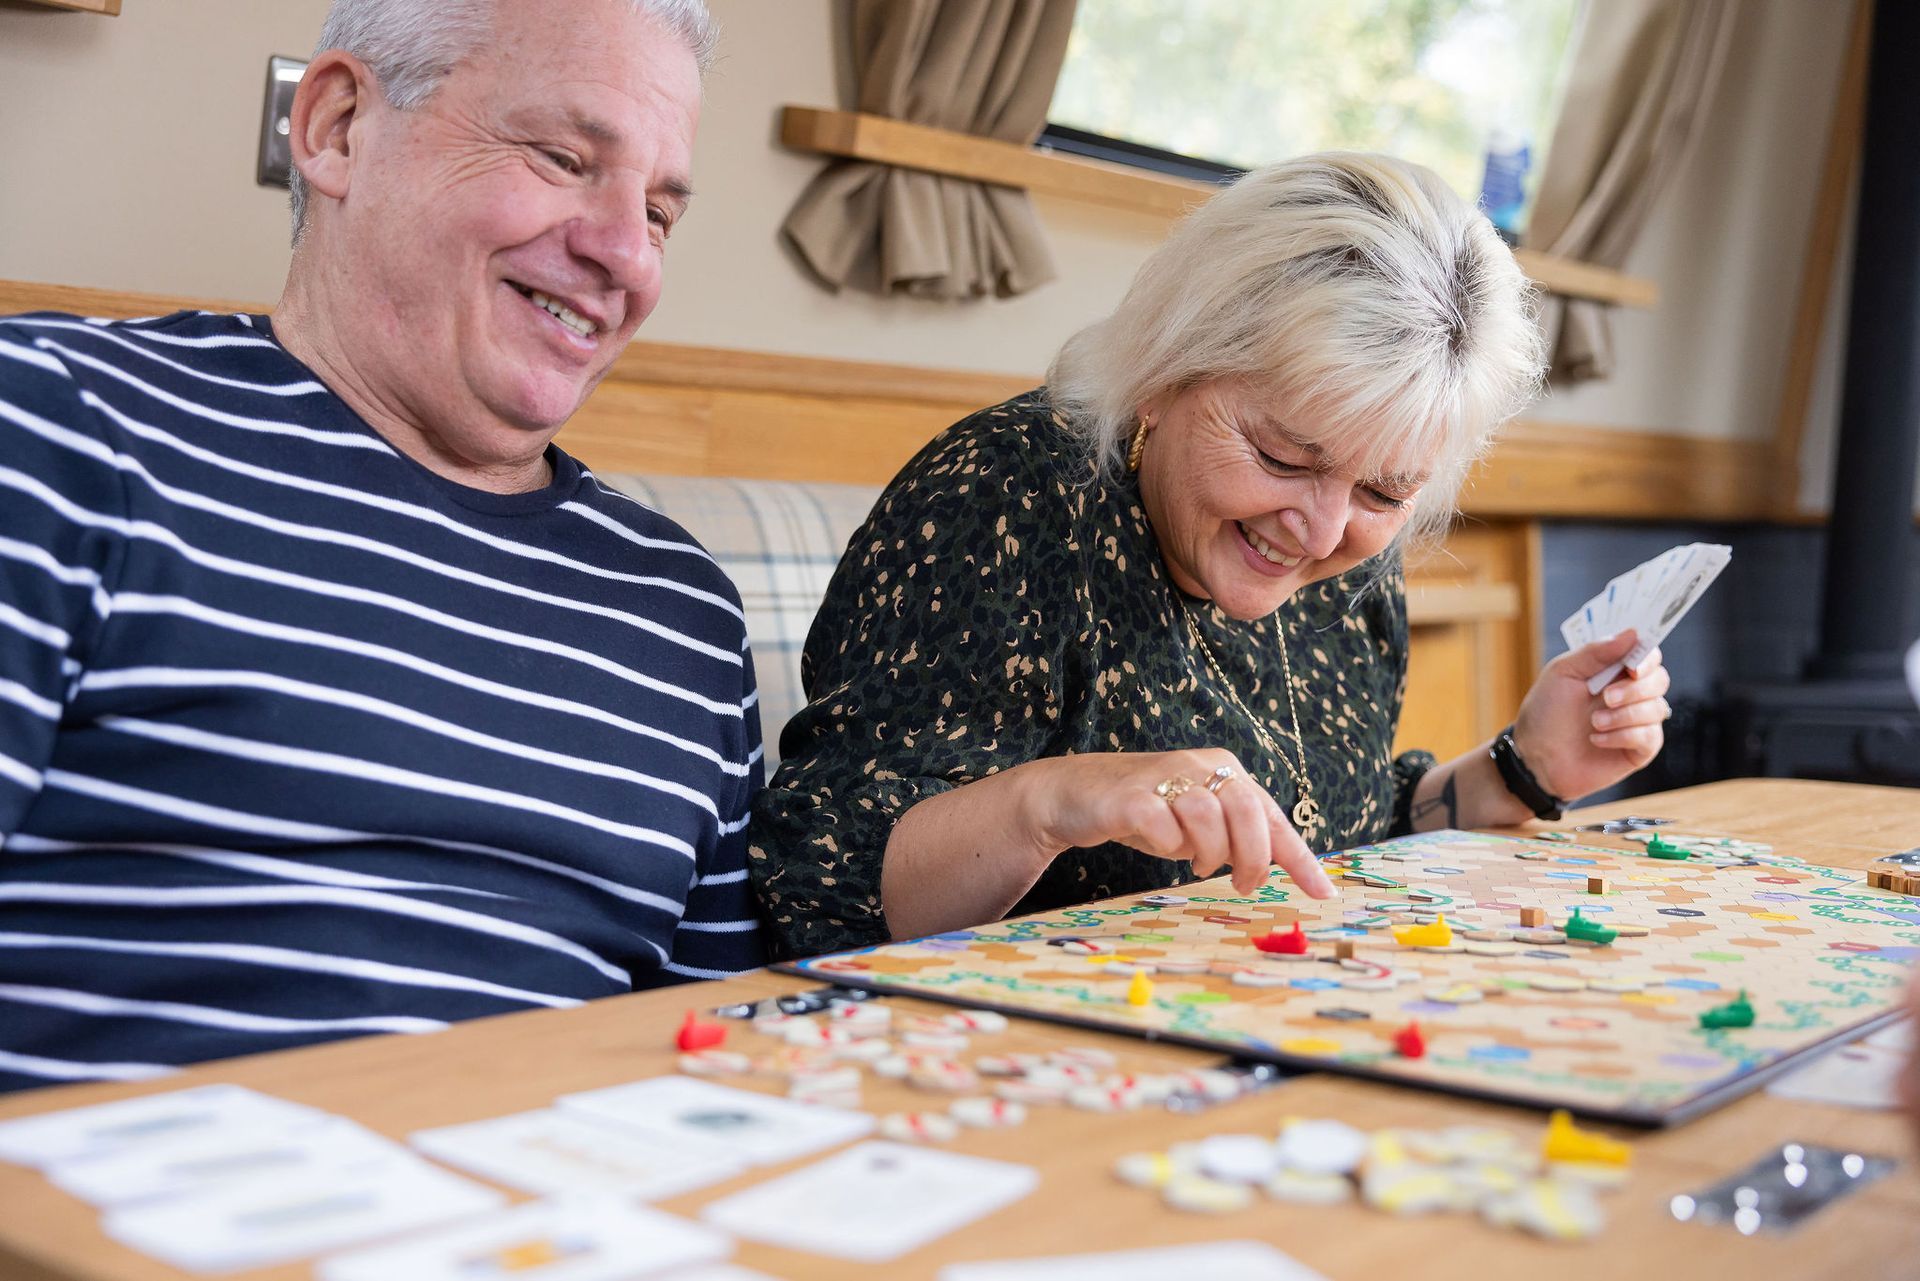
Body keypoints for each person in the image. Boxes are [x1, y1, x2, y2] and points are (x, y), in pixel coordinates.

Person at [0, 0, 761, 1094]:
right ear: (340, 127)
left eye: (660, 212)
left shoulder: (677, 610)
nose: (623, 254)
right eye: (561, 158)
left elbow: (711, 1059)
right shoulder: (54, 429)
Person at [750, 154, 1673, 958]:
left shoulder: (1351, 568)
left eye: (1384, 494)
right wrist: (1057, 800)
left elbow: (1337, 830)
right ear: (1163, 371)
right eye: (1281, 457)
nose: (1319, 533)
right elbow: (822, 887)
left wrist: (1526, 766)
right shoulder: (1011, 496)